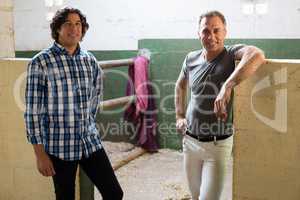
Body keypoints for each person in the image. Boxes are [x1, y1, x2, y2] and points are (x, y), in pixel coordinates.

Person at [24, 7, 123, 200]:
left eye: (78, 24)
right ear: (57, 29)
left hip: (89, 142)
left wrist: (88, 125)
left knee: (114, 193)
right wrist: (40, 154)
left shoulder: (89, 60)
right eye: (68, 24)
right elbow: (33, 112)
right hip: (59, 145)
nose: (74, 28)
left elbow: (95, 99)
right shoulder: (41, 62)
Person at [175, 10, 265, 200]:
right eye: (206, 31)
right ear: (198, 33)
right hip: (190, 141)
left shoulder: (230, 54)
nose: (211, 36)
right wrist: (179, 116)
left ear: (225, 32)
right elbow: (180, 85)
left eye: (216, 30)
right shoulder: (191, 58)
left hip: (217, 144)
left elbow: (257, 54)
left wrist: (227, 86)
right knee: (195, 195)